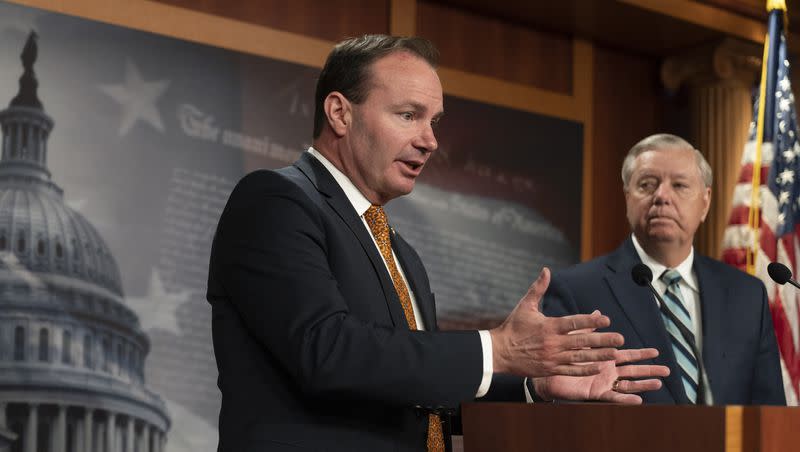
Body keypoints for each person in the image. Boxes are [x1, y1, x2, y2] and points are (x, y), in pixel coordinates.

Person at [206, 35, 669, 452]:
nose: (430, 141)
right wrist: (497, 349)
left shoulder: (399, 251)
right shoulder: (276, 200)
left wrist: (533, 386)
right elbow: (326, 351)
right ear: (340, 113)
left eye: (434, 121)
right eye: (409, 115)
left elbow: (412, 384)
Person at [542, 133, 786, 405]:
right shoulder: (576, 290)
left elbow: (770, 413)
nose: (662, 196)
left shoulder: (747, 295)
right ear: (627, 198)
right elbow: (558, 405)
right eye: (647, 185)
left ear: (705, 203)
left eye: (680, 185)